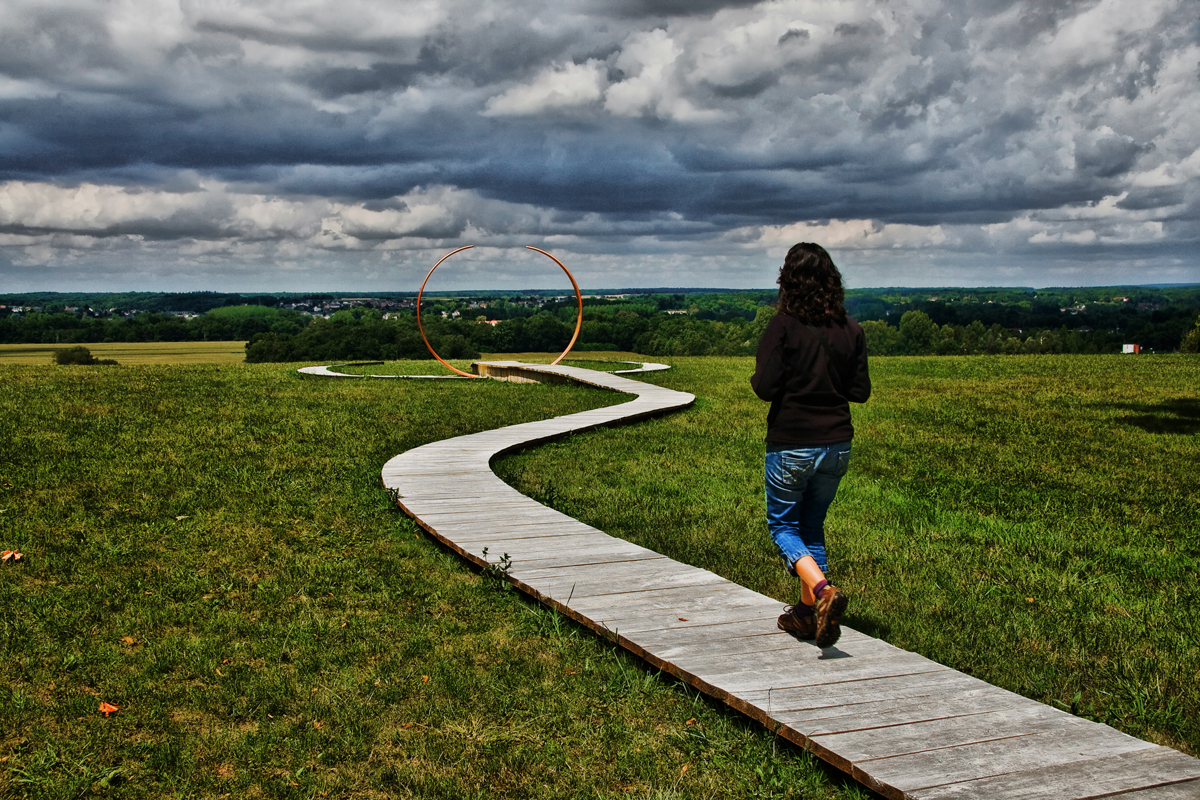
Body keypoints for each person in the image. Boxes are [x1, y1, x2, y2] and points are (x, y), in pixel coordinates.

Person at [750, 243, 871, 649]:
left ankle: (822, 592)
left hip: (792, 442)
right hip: (837, 444)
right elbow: (859, 391)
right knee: (811, 527)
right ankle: (806, 617)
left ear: (788, 280)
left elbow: (765, 388)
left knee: (783, 526)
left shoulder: (782, 327)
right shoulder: (852, 329)